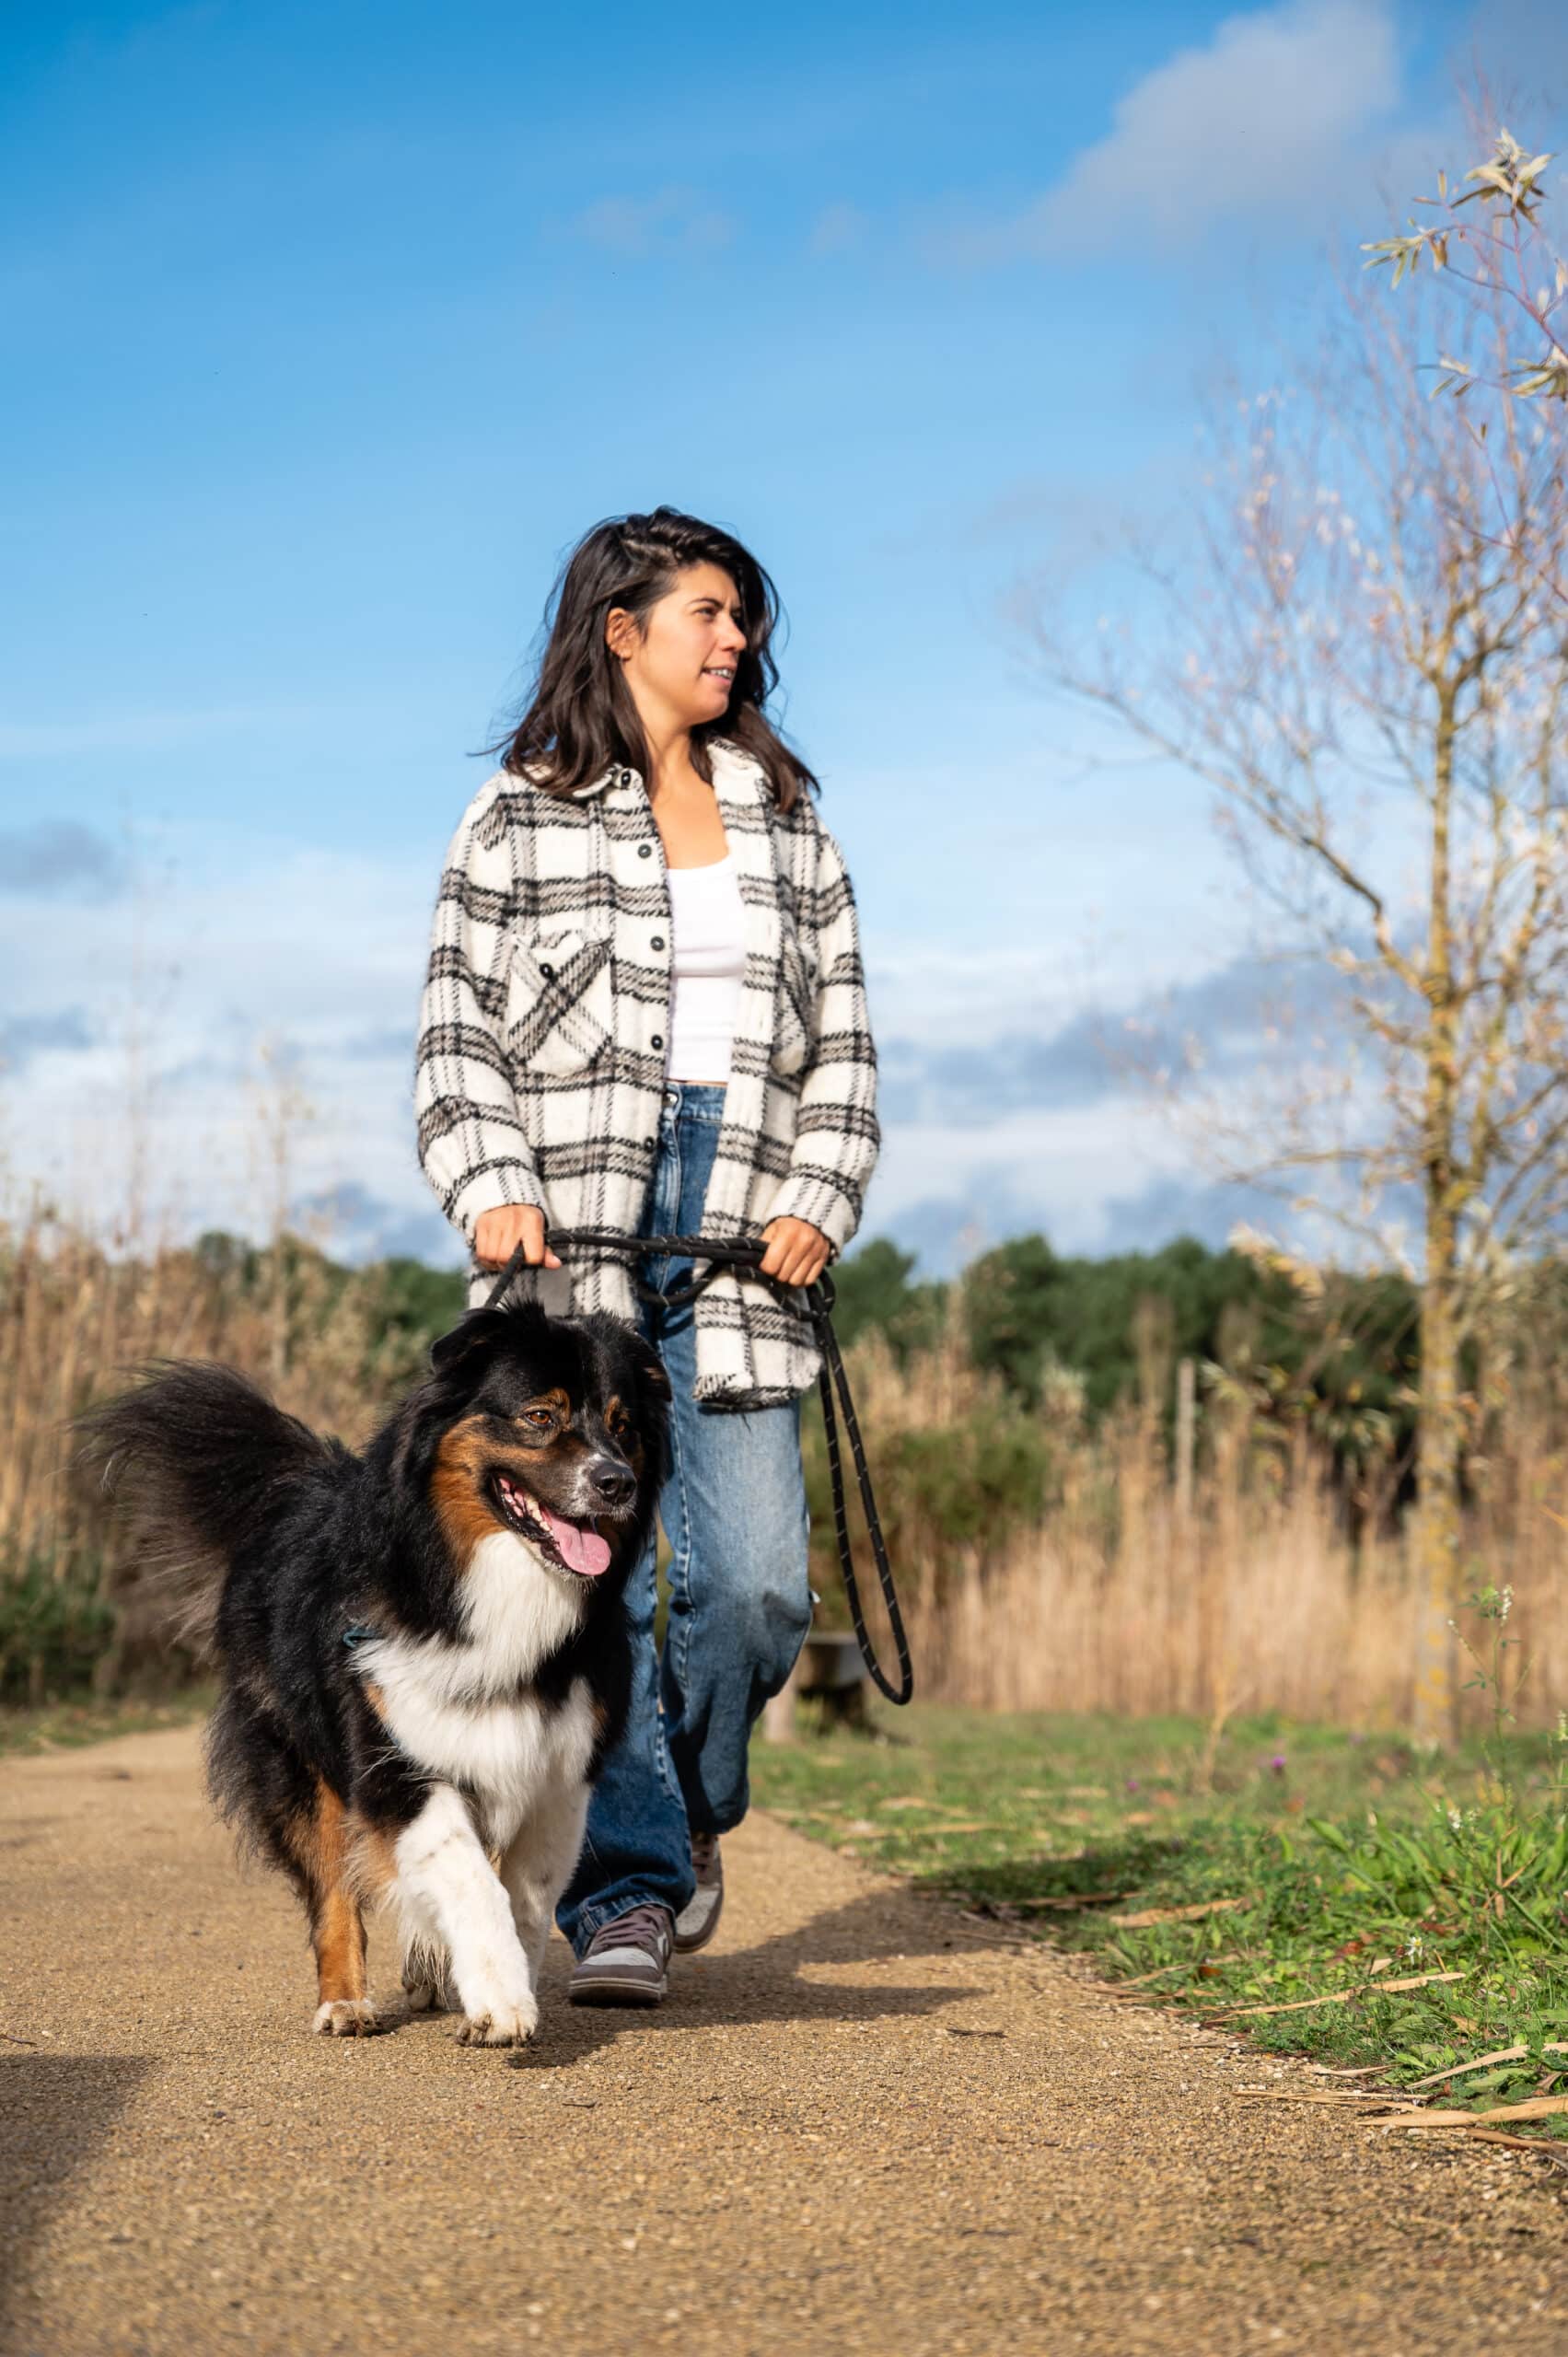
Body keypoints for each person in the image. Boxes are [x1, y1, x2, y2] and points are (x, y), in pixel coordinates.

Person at [413, 505, 879, 2004]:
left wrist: (821, 1192)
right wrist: (489, 1183)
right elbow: (453, 1029)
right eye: (710, 615)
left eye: (745, 619)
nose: (738, 641)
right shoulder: (515, 813)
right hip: (571, 1253)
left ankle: (680, 1810)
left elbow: (846, 1047)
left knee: (750, 1592)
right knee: (596, 1583)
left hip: (748, 1239)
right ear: (622, 631)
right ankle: (626, 1889)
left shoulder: (790, 818)